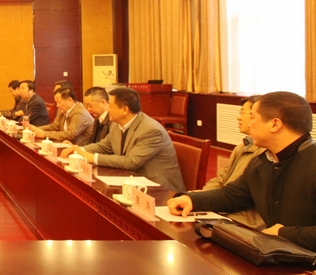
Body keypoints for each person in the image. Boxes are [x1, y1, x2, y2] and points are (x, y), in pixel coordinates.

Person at [168, 92, 316, 251]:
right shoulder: (264, 160)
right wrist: (192, 200)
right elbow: (234, 195)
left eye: (252, 117)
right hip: (278, 251)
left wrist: (284, 233)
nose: (249, 124)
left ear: (274, 124)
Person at [61, 87, 185, 192]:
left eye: (110, 105)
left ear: (125, 110)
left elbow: (131, 161)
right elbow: (104, 146)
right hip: (131, 181)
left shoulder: (151, 131)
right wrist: (79, 150)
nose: (107, 109)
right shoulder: (117, 124)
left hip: (159, 190)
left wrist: (93, 158)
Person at [196, 96, 265, 228]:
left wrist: (205, 200)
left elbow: (239, 196)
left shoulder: (266, 154)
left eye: (243, 113)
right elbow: (221, 178)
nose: (238, 118)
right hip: (224, 207)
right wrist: (203, 196)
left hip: (242, 220)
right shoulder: (242, 147)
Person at [26, 87, 94, 145]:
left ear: (70, 100)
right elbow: (55, 126)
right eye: (56, 102)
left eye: (59, 102)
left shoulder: (79, 113)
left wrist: (44, 134)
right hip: (66, 144)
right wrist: (36, 129)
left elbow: (70, 134)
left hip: (81, 148)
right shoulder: (62, 110)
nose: (57, 105)